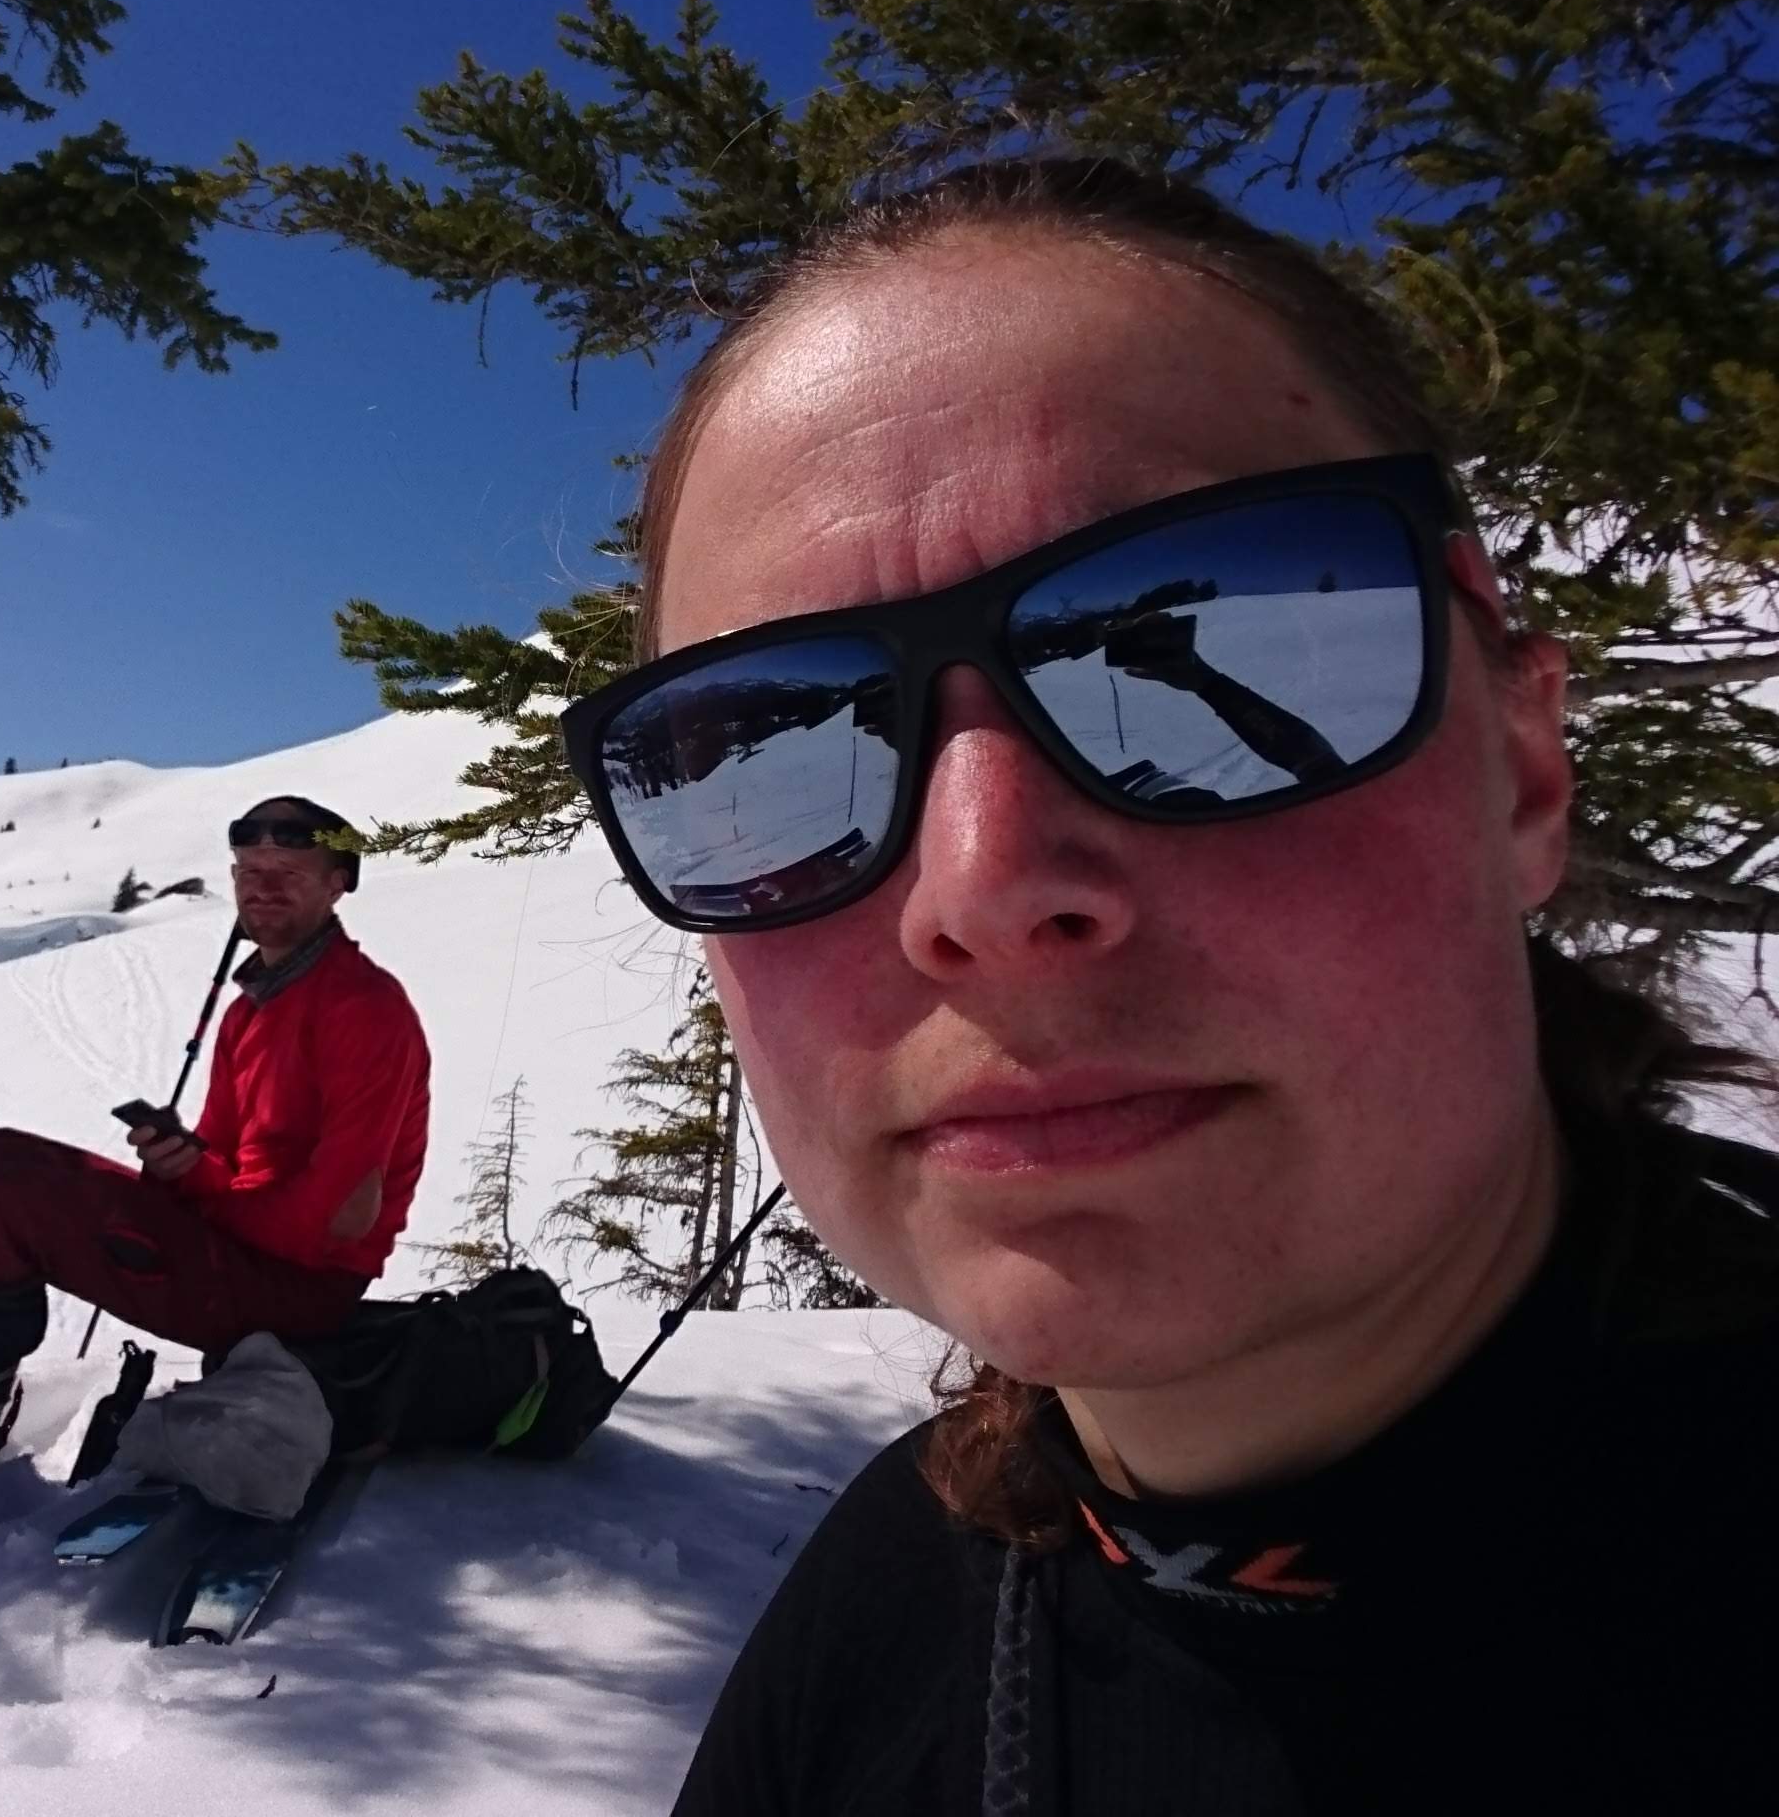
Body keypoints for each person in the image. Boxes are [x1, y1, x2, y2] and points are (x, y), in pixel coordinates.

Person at [549, 157, 1779, 1813]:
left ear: (1524, 771)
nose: (982, 887)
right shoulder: (875, 1631)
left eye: (1214, 631)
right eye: (767, 746)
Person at [0, 795, 431, 1471]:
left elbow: (343, 1218)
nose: (262, 887)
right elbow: (224, 1162)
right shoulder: (250, 1013)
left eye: (289, 872)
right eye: (249, 871)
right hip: (246, 1257)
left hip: (300, 1291)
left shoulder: (363, 1007)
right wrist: (183, 1167)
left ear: (337, 884)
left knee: (12, 1193)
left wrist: (207, 1201)